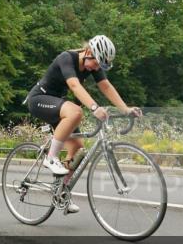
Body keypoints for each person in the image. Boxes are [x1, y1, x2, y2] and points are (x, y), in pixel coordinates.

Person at [26, 35, 141, 214]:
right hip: (39, 99)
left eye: (100, 66)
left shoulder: (93, 63)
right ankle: (51, 157)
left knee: (78, 149)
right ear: (88, 52)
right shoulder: (66, 58)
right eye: (96, 63)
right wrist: (94, 107)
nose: (96, 68)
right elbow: (74, 85)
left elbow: (106, 87)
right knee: (76, 112)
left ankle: (60, 193)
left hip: (58, 105)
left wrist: (126, 109)